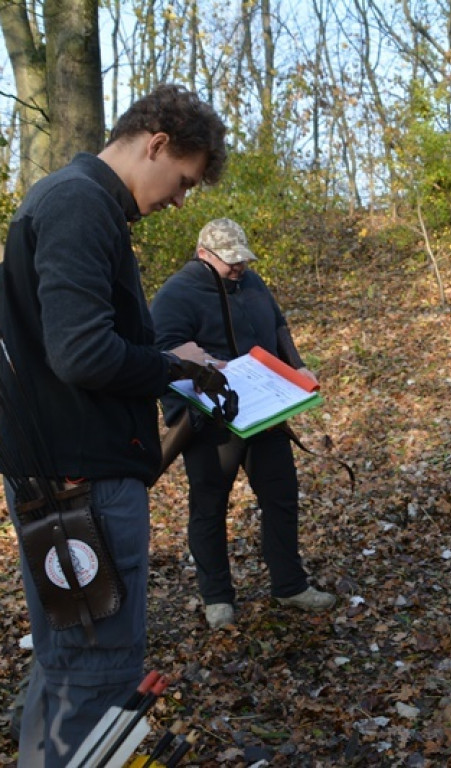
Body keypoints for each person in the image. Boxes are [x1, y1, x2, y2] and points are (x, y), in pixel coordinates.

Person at [0, 84, 227, 766]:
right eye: (183, 181)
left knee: (68, 665)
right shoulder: (80, 204)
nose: (180, 201)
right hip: (82, 489)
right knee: (97, 676)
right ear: (155, 144)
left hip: (67, 478)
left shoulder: (69, 201)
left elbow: (78, 340)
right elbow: (82, 353)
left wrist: (172, 358)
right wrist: (171, 369)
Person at [150, 218, 336, 630]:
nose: (239, 267)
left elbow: (278, 325)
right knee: (209, 506)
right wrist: (202, 368)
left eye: (243, 259)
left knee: (281, 496)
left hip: (264, 412)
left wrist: (297, 366)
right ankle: (217, 597)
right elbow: (161, 352)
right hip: (212, 421)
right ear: (203, 255)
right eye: (230, 261)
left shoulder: (251, 282)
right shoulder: (176, 293)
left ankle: (290, 585)